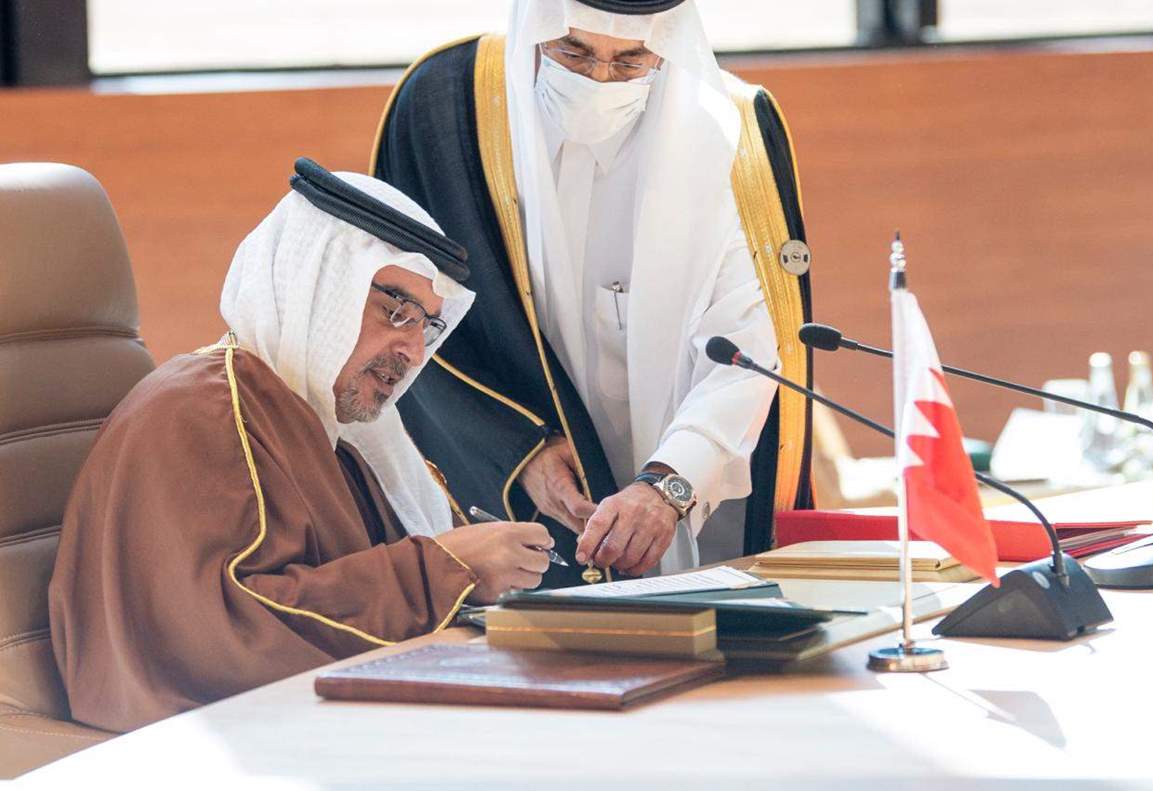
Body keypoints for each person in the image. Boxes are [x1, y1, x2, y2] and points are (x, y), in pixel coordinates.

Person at [48, 159, 553, 733]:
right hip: (199, 745)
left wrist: (477, 573)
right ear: (316, 284)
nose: (414, 351)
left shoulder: (343, 432)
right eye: (396, 312)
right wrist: (443, 569)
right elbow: (228, 634)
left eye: (427, 327)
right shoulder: (199, 411)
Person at [372, 0, 816, 584]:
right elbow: (405, 320)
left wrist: (669, 483)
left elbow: (747, 353)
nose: (598, 80)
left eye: (630, 61)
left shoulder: (732, 134)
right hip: (521, 497)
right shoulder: (447, 110)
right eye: (572, 52)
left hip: (692, 502)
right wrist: (517, 450)